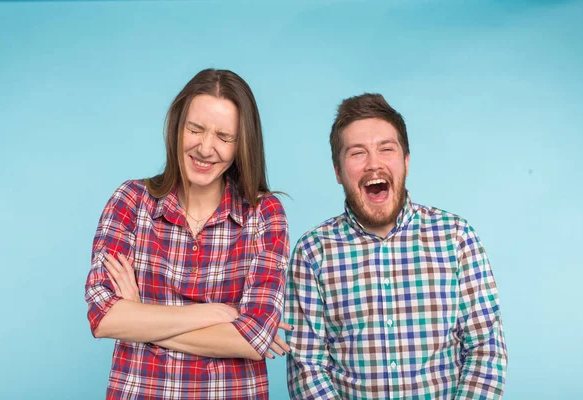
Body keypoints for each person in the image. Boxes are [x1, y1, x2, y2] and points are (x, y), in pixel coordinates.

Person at [85, 68, 291, 400]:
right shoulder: (131, 201)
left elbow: (253, 340)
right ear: (177, 127)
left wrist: (141, 317)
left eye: (224, 137)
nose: (206, 148)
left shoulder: (264, 214)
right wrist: (211, 313)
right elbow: (104, 317)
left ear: (242, 145)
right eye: (195, 129)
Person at [285, 93, 507, 399]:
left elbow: (486, 349)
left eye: (386, 149)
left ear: (406, 161)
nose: (373, 164)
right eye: (357, 153)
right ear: (338, 172)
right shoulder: (313, 252)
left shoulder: (456, 237)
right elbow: (306, 366)